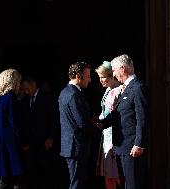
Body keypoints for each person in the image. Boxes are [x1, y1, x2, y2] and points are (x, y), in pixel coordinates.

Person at [98, 54, 148, 189]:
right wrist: (101, 123)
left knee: (132, 184)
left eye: (114, 70)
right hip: (122, 146)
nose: (113, 74)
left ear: (123, 69)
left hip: (132, 147)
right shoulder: (125, 88)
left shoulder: (137, 87)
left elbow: (142, 117)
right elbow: (119, 114)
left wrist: (139, 144)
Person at [0, 69, 26, 189]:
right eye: (18, 82)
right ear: (13, 83)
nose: (20, 85)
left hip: (1, 141)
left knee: (4, 178)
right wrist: (24, 141)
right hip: (12, 143)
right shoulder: (11, 99)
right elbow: (15, 123)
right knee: (17, 179)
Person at [59, 61, 98, 189]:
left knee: (77, 181)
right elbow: (81, 123)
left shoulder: (65, 92)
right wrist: (96, 127)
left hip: (71, 146)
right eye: (87, 76)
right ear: (78, 76)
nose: (90, 80)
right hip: (76, 147)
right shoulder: (74, 94)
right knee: (77, 183)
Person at [20, 77, 57, 189]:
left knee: (43, 170)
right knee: (30, 171)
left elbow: (53, 119)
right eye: (24, 90)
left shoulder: (46, 98)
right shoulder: (25, 100)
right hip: (30, 143)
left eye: (27, 89)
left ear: (34, 84)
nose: (26, 92)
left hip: (44, 141)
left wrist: (51, 137)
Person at [95, 61, 122, 189]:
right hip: (106, 134)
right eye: (99, 77)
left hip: (115, 134)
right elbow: (104, 111)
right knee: (107, 172)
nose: (100, 80)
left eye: (103, 77)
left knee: (115, 171)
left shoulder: (119, 90)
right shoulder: (107, 90)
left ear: (111, 75)